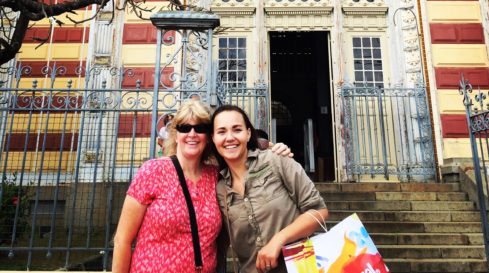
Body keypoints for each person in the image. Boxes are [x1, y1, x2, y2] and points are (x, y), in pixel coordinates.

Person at [112, 100, 292, 273]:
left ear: (208, 137)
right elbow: (122, 240)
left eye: (200, 128)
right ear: (176, 134)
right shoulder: (153, 171)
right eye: (184, 127)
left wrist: (273, 148)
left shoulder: (215, 175)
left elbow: (241, 149)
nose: (192, 134)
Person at [211, 105, 328, 273]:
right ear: (213, 138)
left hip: (300, 268)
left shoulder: (276, 160)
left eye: (237, 129)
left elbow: (318, 211)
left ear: (249, 133)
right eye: (221, 132)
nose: (230, 137)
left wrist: (279, 239)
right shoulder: (219, 189)